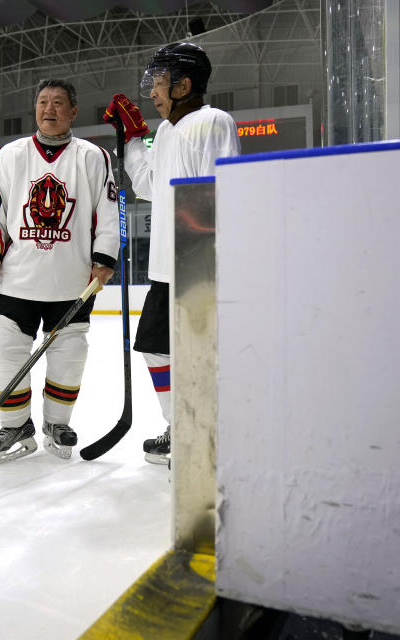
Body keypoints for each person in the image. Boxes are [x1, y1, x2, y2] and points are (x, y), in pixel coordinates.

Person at [104, 42, 241, 465]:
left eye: (159, 83)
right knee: (154, 346)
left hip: (199, 264)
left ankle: (211, 432)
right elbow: (147, 184)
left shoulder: (212, 122)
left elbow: (223, 188)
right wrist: (133, 138)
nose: (152, 93)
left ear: (184, 85)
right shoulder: (164, 132)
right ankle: (180, 426)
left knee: (204, 356)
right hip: (165, 267)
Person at [0, 79, 119, 464]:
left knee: (70, 354)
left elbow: (107, 213)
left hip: (72, 281)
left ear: (73, 111)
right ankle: (14, 424)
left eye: (58, 102)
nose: (48, 108)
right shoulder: (10, 155)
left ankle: (57, 423)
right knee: (5, 349)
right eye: (42, 102)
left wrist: (104, 259)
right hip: (16, 279)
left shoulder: (92, 157)